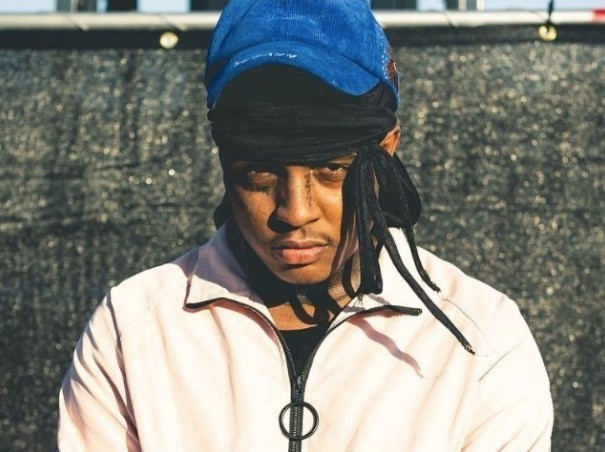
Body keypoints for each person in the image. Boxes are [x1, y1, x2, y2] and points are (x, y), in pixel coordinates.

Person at [57, 1, 553, 450]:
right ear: (225, 161)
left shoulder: (480, 340)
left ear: (386, 152)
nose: (294, 212)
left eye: (332, 169)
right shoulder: (135, 328)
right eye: (260, 172)